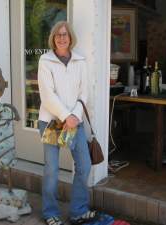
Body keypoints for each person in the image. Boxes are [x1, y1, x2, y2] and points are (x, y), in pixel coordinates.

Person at [37, 21, 98, 225]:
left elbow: (84, 92)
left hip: (75, 121)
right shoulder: (45, 60)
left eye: (65, 34)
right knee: (52, 170)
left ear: (71, 38)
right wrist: (66, 116)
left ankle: (78, 211)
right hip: (51, 122)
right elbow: (47, 95)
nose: (62, 38)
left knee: (84, 165)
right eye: (58, 35)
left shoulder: (80, 61)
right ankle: (50, 213)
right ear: (53, 39)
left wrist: (74, 116)